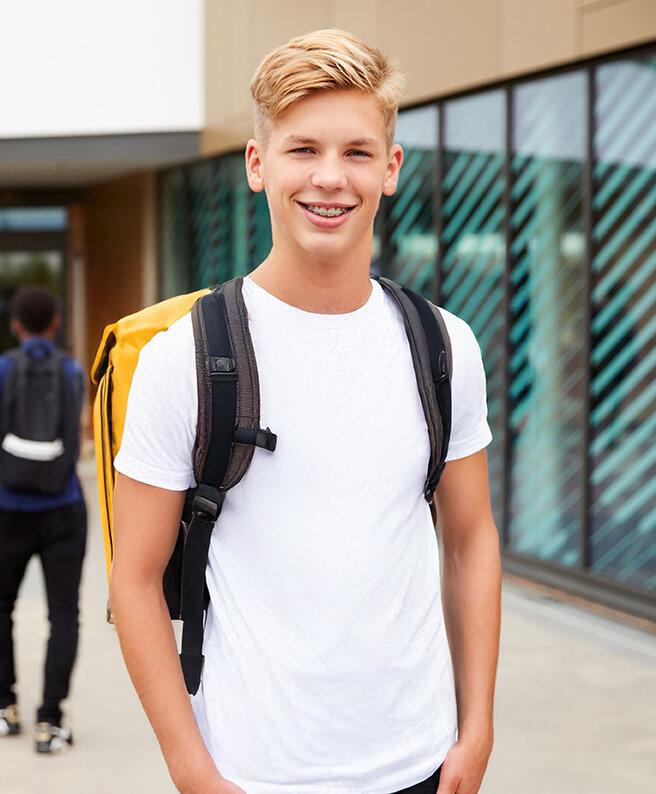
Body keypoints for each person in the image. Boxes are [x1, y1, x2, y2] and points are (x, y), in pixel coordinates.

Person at [111, 29, 501, 794]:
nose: (331, 178)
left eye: (358, 152)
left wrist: (477, 725)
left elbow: (469, 538)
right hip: (250, 772)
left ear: (391, 170)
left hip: (421, 763)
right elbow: (135, 577)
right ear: (258, 165)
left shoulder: (444, 344)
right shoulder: (184, 358)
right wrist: (192, 771)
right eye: (302, 150)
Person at [0, 286, 86, 753]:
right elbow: (76, 438)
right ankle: (49, 723)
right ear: (55, 324)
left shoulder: (3, 368)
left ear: (16, 325)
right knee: (64, 615)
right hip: (62, 506)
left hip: (6, 507)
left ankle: (3, 709)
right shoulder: (71, 371)